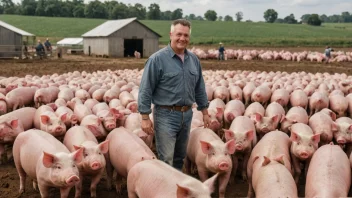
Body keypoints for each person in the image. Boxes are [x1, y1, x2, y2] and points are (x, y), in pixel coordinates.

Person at [138, 19, 210, 171]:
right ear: (170, 35)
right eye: (179, 34)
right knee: (166, 158)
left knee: (180, 157)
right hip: (165, 114)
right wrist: (145, 117)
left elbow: (199, 87)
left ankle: (176, 189)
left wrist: (205, 111)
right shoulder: (157, 59)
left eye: (186, 35)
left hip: (187, 114)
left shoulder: (193, 60)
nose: (182, 38)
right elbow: (146, 89)